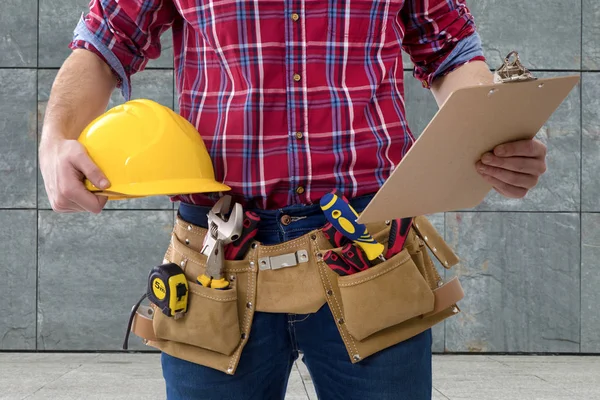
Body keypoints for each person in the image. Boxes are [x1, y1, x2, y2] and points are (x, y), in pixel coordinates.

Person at [39, 1, 548, 399]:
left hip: (368, 250)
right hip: (220, 252)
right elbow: (106, 40)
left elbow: (451, 49)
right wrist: (56, 135)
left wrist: (491, 139)